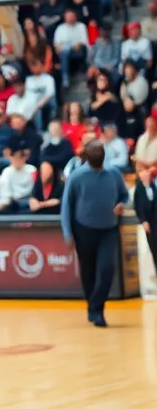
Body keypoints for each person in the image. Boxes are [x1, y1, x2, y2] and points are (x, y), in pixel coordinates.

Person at [61, 139, 127, 327]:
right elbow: (66, 206)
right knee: (88, 272)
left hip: (109, 229)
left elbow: (124, 194)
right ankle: (93, 307)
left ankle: (96, 307)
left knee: (107, 269)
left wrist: (122, 204)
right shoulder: (77, 177)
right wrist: (68, 233)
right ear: (88, 157)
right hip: (84, 229)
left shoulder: (114, 174)